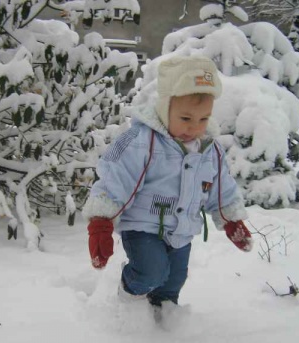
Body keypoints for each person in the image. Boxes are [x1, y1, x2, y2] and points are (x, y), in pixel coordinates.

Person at [82, 55, 252, 309]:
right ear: (164, 108)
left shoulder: (209, 150)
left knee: (173, 281)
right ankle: (125, 303)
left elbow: (221, 189)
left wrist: (231, 220)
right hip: (142, 227)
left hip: (181, 232)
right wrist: (101, 222)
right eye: (185, 119)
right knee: (150, 273)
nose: (194, 127)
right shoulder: (141, 140)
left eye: (203, 119)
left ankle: (162, 319)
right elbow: (115, 178)